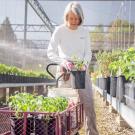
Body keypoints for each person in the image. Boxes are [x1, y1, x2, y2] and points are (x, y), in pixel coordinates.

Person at [47, 1, 99, 135]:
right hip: (65, 70)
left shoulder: (84, 32)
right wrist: (63, 61)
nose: (74, 21)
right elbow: (50, 52)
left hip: (80, 70)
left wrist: (85, 63)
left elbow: (88, 52)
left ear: (81, 18)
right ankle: (67, 131)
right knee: (65, 104)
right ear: (66, 17)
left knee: (88, 104)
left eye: (77, 18)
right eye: (71, 18)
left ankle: (92, 132)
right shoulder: (59, 30)